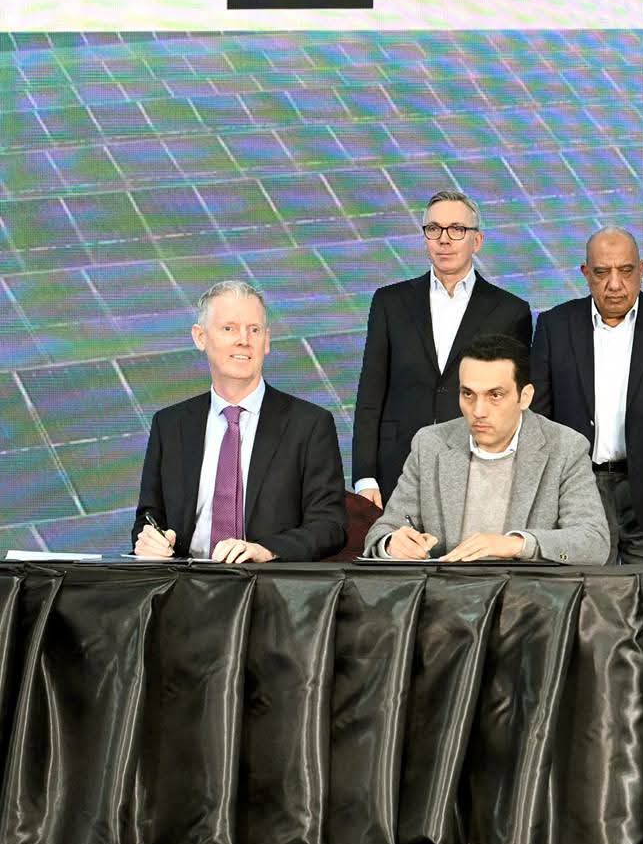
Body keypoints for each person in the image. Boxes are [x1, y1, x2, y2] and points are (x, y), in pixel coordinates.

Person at [530, 226, 643, 565]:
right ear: (586, 273)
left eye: (626, 271)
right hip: (578, 495)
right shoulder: (555, 326)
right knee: (589, 598)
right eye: (602, 272)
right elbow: (538, 424)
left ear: (642, 269)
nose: (614, 284)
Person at [132, 280, 346, 563]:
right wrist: (150, 541)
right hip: (185, 583)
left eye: (254, 330)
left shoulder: (309, 425)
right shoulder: (170, 425)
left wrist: (265, 550)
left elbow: (330, 526)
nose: (243, 339)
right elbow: (149, 518)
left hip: (268, 584)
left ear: (266, 341)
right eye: (229, 328)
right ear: (200, 337)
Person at [361, 333, 610, 564]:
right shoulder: (430, 444)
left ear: (525, 397)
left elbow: (593, 542)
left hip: (526, 595)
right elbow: (384, 530)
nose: (478, 411)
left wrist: (516, 544)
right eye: (468, 394)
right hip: (445, 593)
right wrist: (391, 544)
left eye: (495, 395)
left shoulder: (565, 448)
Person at [352, 190, 532, 506]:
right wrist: (365, 476)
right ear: (425, 239)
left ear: (477, 241)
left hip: (478, 468)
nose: (444, 239)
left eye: (457, 229)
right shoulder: (390, 303)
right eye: (434, 229)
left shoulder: (510, 311)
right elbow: (370, 393)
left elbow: (515, 404)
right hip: (397, 469)